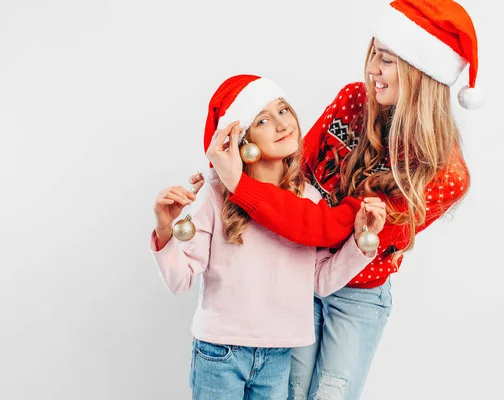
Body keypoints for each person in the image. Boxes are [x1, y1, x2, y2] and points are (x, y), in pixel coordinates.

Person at [196, 1, 482, 398]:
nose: (371, 70)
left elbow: (333, 234)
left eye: (386, 61)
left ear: (421, 73)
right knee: (288, 391)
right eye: (373, 55)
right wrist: (222, 180)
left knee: (331, 393)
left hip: (357, 291)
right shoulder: (353, 101)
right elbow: (292, 176)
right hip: (299, 268)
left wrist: (239, 186)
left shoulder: (446, 175)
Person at [150, 74, 385, 399]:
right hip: (221, 352)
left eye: (284, 110)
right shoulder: (216, 195)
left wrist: (361, 242)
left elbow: (320, 281)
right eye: (263, 119)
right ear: (242, 139)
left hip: (279, 355)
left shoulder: (308, 201)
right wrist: (166, 231)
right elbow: (180, 280)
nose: (281, 123)